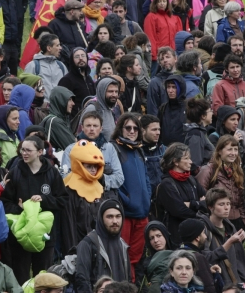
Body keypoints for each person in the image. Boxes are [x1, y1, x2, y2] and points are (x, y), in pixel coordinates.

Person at [0, 135, 66, 283]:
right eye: (22, 150)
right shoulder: (15, 172)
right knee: (21, 278)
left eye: (29, 150)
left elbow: (63, 200)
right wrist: (21, 209)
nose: (24, 153)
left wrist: (44, 201)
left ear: (40, 152)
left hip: (44, 236)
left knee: (43, 278)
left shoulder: (52, 173)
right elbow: (4, 202)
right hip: (21, 236)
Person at [111, 113, 151, 281]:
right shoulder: (113, 148)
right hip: (125, 213)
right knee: (122, 254)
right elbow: (111, 179)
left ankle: (132, 286)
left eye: (135, 128)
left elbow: (146, 179)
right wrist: (125, 199)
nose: (132, 131)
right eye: (128, 128)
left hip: (142, 212)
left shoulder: (139, 150)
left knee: (136, 254)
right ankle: (122, 286)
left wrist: (148, 196)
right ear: (120, 129)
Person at [75, 200, 131, 293]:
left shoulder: (122, 245)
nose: (115, 221)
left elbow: (128, 280)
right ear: (101, 219)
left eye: (118, 216)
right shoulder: (88, 243)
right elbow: (82, 279)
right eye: (109, 217)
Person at [153, 143, 206, 248]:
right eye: (186, 158)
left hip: (195, 235)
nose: (191, 162)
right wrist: (199, 208)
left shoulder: (191, 179)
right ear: (175, 162)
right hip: (176, 238)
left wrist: (191, 204)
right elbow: (179, 210)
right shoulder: (166, 184)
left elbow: (207, 201)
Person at [198, 188, 245, 287]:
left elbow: (240, 261)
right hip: (215, 284)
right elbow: (206, 259)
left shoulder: (230, 227)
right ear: (210, 207)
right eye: (221, 204)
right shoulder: (203, 229)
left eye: (228, 204)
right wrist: (229, 243)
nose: (226, 208)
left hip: (234, 285)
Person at [60, 111, 124, 195]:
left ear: (101, 128)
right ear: (82, 127)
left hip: (104, 196)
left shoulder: (109, 148)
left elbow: (119, 178)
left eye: (95, 126)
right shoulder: (71, 149)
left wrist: (101, 178)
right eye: (88, 125)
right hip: (79, 197)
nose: (92, 129)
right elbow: (64, 176)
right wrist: (87, 178)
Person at [62, 139, 106, 254]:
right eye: (89, 166)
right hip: (79, 246)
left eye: (95, 166)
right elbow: (68, 225)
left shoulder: (99, 187)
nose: (93, 169)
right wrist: (72, 252)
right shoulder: (70, 189)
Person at [144, 0, 182, 76]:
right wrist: (154, 54)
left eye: (164, 1)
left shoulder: (174, 18)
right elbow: (150, 36)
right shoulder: (151, 17)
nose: (162, 3)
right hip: (159, 55)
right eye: (159, 1)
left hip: (172, 53)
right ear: (155, 3)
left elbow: (178, 36)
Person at [58, 48, 96, 119]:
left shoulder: (89, 78)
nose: (81, 58)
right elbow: (62, 104)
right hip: (75, 121)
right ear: (72, 60)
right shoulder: (67, 80)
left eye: (83, 56)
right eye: (77, 56)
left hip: (91, 118)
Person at [39, 86, 76, 151]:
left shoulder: (55, 119)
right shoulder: (55, 122)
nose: (73, 103)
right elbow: (74, 148)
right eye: (69, 100)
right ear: (61, 101)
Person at [184, 97, 214, 167]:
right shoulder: (195, 134)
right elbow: (195, 163)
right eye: (210, 111)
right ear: (203, 116)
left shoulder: (201, 132)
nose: (212, 113)